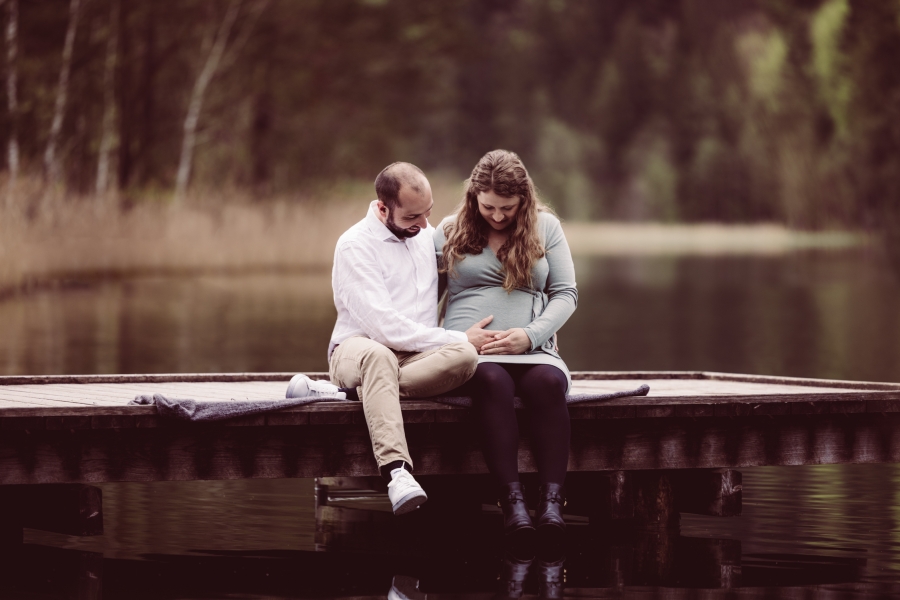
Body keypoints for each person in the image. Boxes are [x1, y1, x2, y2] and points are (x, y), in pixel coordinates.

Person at [287, 162, 499, 516]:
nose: (422, 224)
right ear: (383, 208)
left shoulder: (422, 236)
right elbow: (384, 329)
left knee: (465, 357)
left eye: (427, 213)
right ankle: (397, 472)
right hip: (357, 349)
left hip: (412, 357)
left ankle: (350, 396)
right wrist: (457, 335)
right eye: (413, 216)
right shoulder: (355, 246)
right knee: (381, 358)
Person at [434, 150, 577, 537]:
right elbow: (423, 300)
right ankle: (512, 504)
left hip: (535, 350)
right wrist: (453, 340)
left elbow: (566, 293)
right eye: (488, 207)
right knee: (493, 383)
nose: (497, 216)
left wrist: (530, 336)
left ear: (524, 200)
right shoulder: (448, 230)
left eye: (508, 208)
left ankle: (550, 505)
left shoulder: (546, 227)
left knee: (548, 386)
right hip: (470, 353)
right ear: (473, 197)